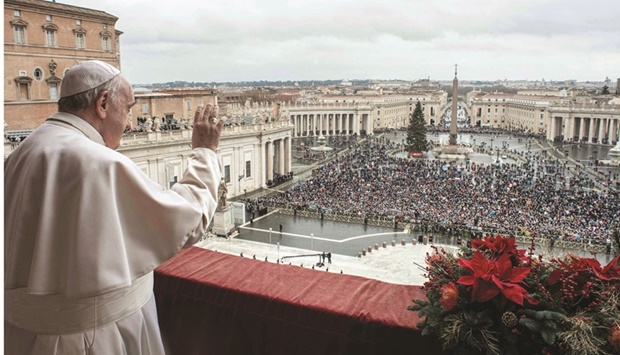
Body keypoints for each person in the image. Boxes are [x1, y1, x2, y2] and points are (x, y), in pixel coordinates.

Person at [4, 60, 225, 354]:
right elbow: (189, 220)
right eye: (130, 108)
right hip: (95, 339)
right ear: (103, 103)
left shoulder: (19, 154)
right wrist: (205, 153)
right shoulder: (101, 163)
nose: (131, 122)